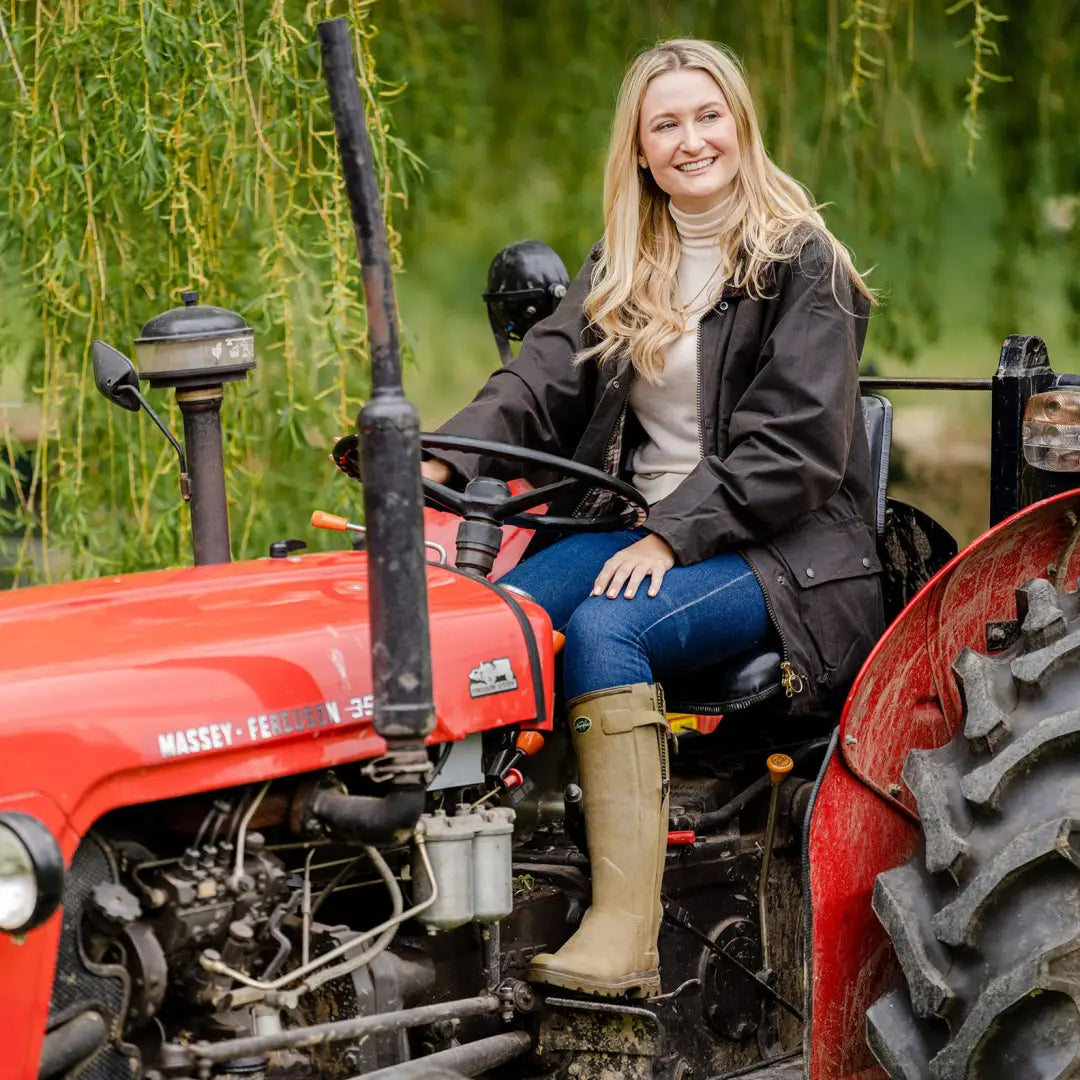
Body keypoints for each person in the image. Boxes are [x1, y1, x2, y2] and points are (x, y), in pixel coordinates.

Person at [421, 38, 884, 998]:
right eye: (665, 124)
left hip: (785, 554)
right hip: (647, 529)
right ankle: (485, 862)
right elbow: (538, 377)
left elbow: (793, 450)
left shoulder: (806, 263)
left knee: (605, 627)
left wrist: (671, 534)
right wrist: (436, 455)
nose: (691, 139)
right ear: (638, 149)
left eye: (707, 116)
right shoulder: (633, 259)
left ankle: (622, 930)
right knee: (495, 621)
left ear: (741, 124)